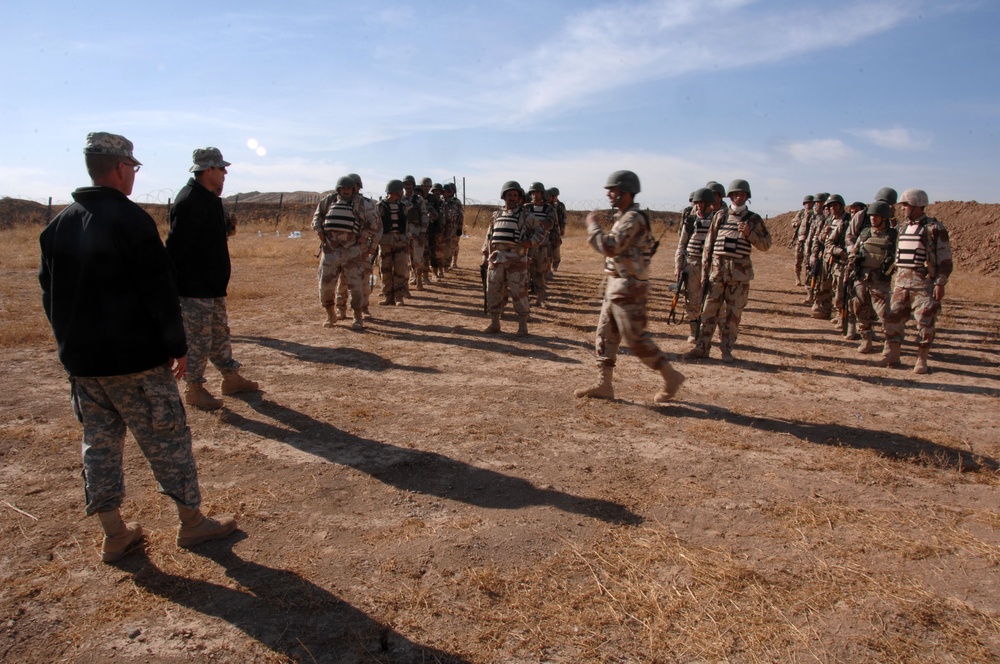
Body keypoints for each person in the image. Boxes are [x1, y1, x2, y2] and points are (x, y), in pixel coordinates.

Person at [39, 132, 237, 563]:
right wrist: (176, 345)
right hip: (136, 362)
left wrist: (71, 348)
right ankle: (192, 522)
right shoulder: (130, 221)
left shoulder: (59, 225)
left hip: (84, 365)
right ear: (119, 168)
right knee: (167, 438)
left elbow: (48, 295)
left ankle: (114, 533)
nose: (133, 175)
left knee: (100, 444)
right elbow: (158, 288)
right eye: (133, 167)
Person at [575, 170, 684, 402]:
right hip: (617, 283)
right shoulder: (625, 217)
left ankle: (670, 376)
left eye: (613, 190)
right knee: (605, 334)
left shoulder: (633, 218)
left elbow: (612, 247)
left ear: (626, 192)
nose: (609, 194)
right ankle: (604, 385)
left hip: (630, 287)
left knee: (636, 339)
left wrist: (593, 226)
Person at [166, 147, 259, 411]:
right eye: (221, 168)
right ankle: (194, 388)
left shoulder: (210, 199)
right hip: (194, 288)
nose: (225, 172)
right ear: (208, 170)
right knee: (198, 339)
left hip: (213, 285)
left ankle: (231, 379)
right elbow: (175, 249)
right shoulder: (188, 202)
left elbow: (213, 236)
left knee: (219, 334)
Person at [684, 179, 771, 362]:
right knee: (708, 312)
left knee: (733, 315)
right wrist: (704, 273)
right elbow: (708, 245)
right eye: (735, 194)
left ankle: (726, 349)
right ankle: (702, 347)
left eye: (742, 194)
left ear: (747, 197)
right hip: (717, 274)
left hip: (739, 278)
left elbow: (766, 245)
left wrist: (749, 234)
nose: (739, 196)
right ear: (730, 196)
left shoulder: (753, 220)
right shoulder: (720, 216)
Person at [880, 189, 953, 373]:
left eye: (905, 205)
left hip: (923, 284)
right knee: (893, 319)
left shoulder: (934, 228)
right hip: (901, 283)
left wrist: (939, 283)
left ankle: (922, 360)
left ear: (916, 205)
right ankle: (894, 355)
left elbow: (945, 259)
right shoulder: (903, 228)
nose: (902, 208)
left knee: (925, 323)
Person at [481, 181, 543, 336]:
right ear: (504, 196)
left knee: (519, 293)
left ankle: (522, 326)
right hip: (496, 259)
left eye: (515, 195)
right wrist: (485, 254)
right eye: (509, 195)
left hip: (516, 258)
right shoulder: (496, 215)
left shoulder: (525, 215)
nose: (512, 198)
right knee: (493, 291)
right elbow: (489, 236)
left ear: (520, 197)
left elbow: (540, 232)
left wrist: (529, 243)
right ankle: (495, 323)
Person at [312, 176, 372, 330]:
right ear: (338, 189)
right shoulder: (328, 201)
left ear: (353, 189)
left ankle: (358, 316)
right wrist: (320, 232)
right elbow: (317, 217)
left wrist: (363, 238)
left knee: (355, 285)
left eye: (349, 188)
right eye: (343, 188)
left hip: (351, 250)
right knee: (326, 285)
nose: (346, 191)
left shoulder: (361, 203)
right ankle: (330, 313)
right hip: (331, 250)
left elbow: (372, 223)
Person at [850, 201, 897, 354]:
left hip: (880, 280)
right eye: (871, 216)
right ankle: (866, 340)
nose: (873, 219)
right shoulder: (865, 233)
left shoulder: (892, 236)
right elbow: (855, 250)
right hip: (862, 278)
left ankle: (889, 343)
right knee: (859, 309)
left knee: (885, 314)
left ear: (884, 218)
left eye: (876, 216)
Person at [334, 173, 381, 320]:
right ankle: (341, 308)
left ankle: (363, 307)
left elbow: (377, 227)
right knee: (343, 280)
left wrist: (372, 246)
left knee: (364, 279)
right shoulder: (335, 202)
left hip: (362, 250)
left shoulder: (368, 204)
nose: (350, 189)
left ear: (359, 187)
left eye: (354, 186)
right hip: (342, 249)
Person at [673, 187, 715, 343]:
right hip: (691, 264)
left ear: (708, 204)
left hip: (711, 265)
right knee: (691, 299)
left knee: (711, 299)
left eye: (700, 203)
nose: (697, 206)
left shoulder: (716, 220)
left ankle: (706, 332)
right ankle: (693, 331)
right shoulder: (690, 221)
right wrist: (678, 266)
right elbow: (681, 245)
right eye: (696, 203)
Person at [524, 182, 558, 307]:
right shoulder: (526, 207)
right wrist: (539, 224)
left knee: (539, 273)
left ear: (542, 194)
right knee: (525, 273)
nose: (534, 195)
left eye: (537, 192)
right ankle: (525, 298)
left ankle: (540, 298)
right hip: (528, 245)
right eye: (532, 192)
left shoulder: (549, 208)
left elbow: (550, 224)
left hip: (542, 245)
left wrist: (534, 224)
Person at [377, 179, 410, 306]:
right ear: (395, 191)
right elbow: (377, 224)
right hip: (385, 241)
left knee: (400, 269)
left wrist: (407, 240)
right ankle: (388, 296)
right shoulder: (380, 206)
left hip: (400, 241)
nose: (403, 192)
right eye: (401, 190)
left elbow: (406, 225)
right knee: (385, 269)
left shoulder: (403, 206)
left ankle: (399, 297)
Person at [438, 183, 464, 273]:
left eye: (450, 190)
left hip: (453, 227)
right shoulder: (439, 200)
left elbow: (460, 215)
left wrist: (459, 227)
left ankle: (447, 264)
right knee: (440, 246)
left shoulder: (456, 202)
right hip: (441, 227)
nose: (449, 192)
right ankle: (440, 265)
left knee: (451, 246)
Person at [791, 195, 815, 286]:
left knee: (808, 262)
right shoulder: (801, 213)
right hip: (800, 240)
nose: (808, 205)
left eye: (810, 203)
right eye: (807, 203)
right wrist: (796, 223)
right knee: (798, 260)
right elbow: (793, 221)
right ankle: (797, 278)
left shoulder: (815, 214)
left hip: (811, 241)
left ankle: (807, 279)